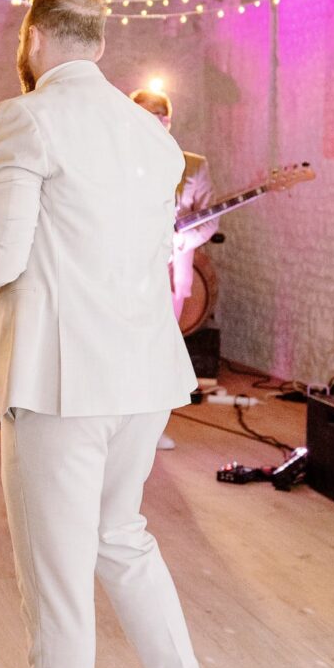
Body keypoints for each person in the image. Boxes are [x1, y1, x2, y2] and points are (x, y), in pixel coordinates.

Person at [0, 0, 231, 668]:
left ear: (32, 37)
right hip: (144, 376)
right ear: (100, 46)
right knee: (122, 538)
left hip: (61, 381)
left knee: (57, 574)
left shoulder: (24, 116)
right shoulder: (151, 134)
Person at [129, 88, 218, 451]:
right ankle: (120, 428)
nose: (152, 121)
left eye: (158, 115)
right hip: (123, 272)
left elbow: (209, 220)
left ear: (168, 120)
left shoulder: (193, 165)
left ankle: (152, 429)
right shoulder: (115, 160)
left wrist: (181, 240)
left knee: (160, 352)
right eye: (143, 114)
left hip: (169, 272)